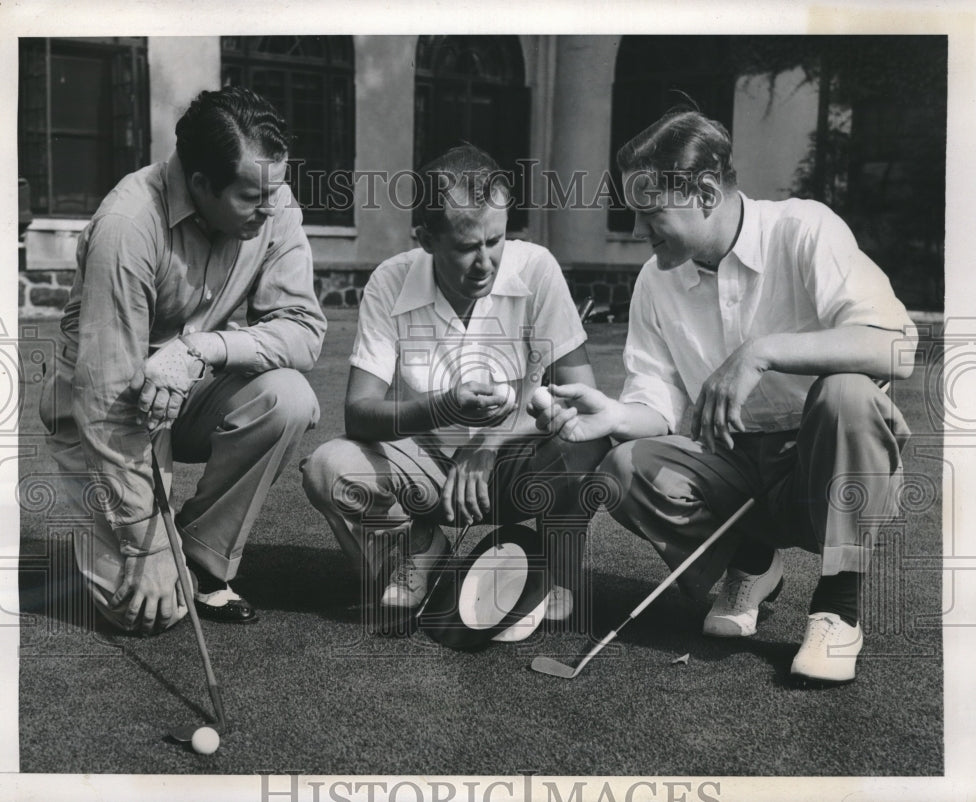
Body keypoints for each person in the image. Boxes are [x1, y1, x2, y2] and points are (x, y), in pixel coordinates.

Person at [531, 109, 915, 684]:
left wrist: (761, 351)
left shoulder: (804, 228)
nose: (639, 231)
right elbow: (657, 408)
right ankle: (753, 561)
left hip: (824, 465)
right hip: (733, 465)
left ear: (706, 193)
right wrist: (612, 413)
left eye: (650, 213)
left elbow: (895, 350)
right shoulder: (654, 280)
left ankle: (839, 605)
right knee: (624, 467)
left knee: (847, 395)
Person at [40, 87, 327, 634]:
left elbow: (305, 332)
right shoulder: (128, 226)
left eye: (275, 192)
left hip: (187, 388)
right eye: (250, 199)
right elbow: (106, 400)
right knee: (146, 612)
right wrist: (145, 544)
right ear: (200, 185)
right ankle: (160, 549)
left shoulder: (273, 200)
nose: (270, 211)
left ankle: (198, 554)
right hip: (103, 414)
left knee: (287, 397)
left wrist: (202, 349)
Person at [302, 144, 609, 630]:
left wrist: (489, 441)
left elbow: (585, 399)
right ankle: (424, 548)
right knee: (328, 469)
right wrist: (445, 407)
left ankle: (553, 570)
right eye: (467, 246)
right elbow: (359, 413)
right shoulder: (389, 280)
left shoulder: (537, 267)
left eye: (496, 240)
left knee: (586, 446)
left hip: (514, 467)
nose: (485, 261)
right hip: (428, 471)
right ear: (426, 238)